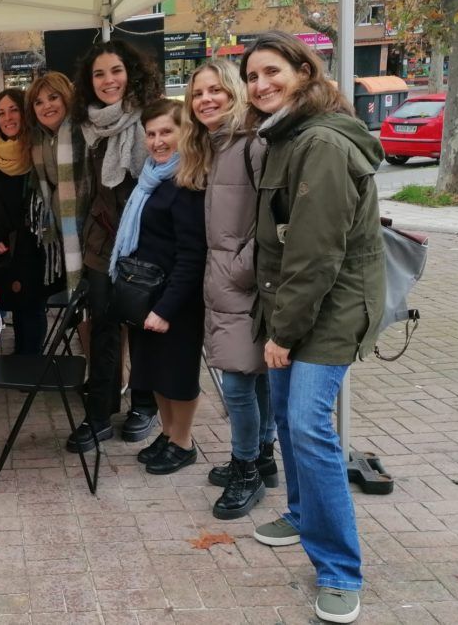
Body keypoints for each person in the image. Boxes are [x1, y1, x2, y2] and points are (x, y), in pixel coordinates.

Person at [242, 31, 385, 624]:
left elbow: (315, 254)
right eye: (251, 76)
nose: (260, 85)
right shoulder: (284, 134)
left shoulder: (320, 142)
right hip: (292, 305)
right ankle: (301, 512)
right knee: (284, 413)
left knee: (306, 425)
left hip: (328, 308)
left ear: (304, 71)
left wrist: (282, 334)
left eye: (272, 72)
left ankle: (338, 569)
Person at [179, 59, 277, 519]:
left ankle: (247, 470)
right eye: (198, 93)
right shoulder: (214, 146)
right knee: (250, 374)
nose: (207, 99)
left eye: (216, 90)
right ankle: (262, 455)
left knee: (237, 382)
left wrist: (240, 268)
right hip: (227, 280)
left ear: (235, 92)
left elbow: (273, 220)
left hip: (245, 281)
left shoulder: (252, 144)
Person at [66, 40, 163, 454]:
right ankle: (100, 414)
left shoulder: (152, 118)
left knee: (142, 329)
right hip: (100, 241)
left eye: (116, 71)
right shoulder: (86, 126)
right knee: (102, 327)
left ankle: (144, 404)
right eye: (99, 74)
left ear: (132, 73)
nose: (109, 80)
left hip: (145, 240)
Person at [110, 99, 207, 475]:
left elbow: (192, 255)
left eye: (167, 131)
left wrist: (165, 310)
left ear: (185, 133)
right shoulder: (151, 176)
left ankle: (183, 441)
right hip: (147, 296)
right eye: (150, 134)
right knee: (155, 373)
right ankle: (167, 434)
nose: (157, 141)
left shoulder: (187, 182)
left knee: (178, 375)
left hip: (175, 300)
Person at [0, 89, 63, 354]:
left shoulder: (38, 147)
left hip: (37, 240)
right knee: (15, 301)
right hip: (5, 243)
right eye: (1, 112)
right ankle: (21, 356)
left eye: (13, 109)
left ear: (24, 112)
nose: (8, 117)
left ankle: (30, 361)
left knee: (33, 305)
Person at [26, 72, 82, 296]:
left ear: (66, 97)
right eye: (38, 102)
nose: (46, 106)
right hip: (61, 230)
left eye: (53, 98)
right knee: (76, 299)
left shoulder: (83, 130)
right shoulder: (38, 139)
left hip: (90, 228)